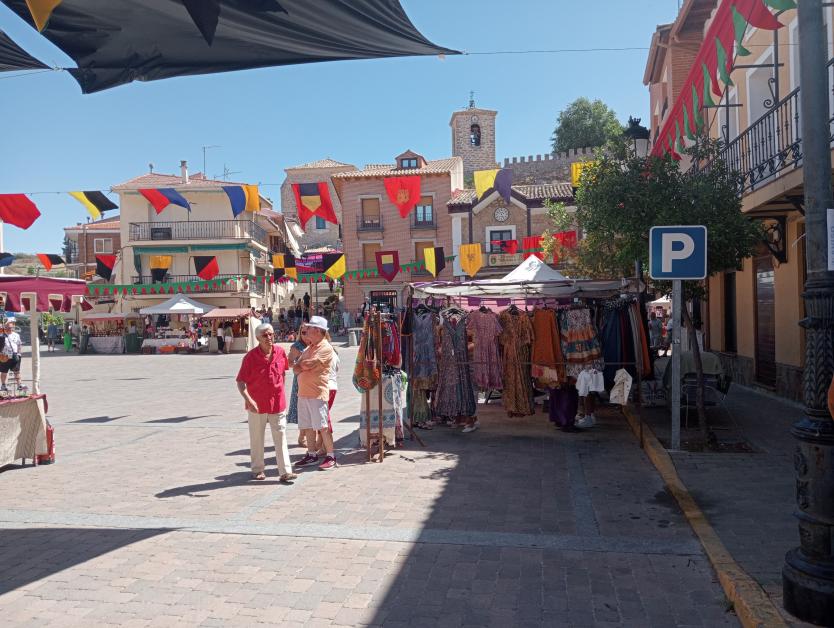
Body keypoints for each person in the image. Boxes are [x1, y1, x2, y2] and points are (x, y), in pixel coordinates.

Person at [236, 323, 297, 482]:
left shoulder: (280, 352)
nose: (269, 337)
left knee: (281, 436)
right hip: (257, 405)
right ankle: (257, 469)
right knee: (257, 438)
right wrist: (249, 400)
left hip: (277, 403)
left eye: (271, 334)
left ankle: (285, 471)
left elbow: (283, 373)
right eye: (265, 335)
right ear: (258, 338)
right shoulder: (250, 357)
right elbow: (240, 382)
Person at [293, 316, 336, 470]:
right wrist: (301, 364)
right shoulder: (310, 347)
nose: (306, 330)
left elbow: (307, 363)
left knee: (322, 426)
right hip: (304, 393)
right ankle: (311, 454)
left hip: (317, 393)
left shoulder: (325, 348)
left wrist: (301, 364)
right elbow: (296, 367)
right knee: (308, 426)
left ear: (317, 330)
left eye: (309, 328)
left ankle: (331, 456)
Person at [286, 329, 307, 445]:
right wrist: (299, 366)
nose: (306, 334)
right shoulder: (297, 346)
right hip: (300, 381)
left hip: (314, 381)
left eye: (308, 331)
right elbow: (288, 362)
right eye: (303, 332)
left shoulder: (315, 343)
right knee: (302, 409)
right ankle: (302, 436)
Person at [0, 321, 22, 390]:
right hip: (4, 356)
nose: (9, 329)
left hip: (15, 355)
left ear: (13, 327)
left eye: (10, 327)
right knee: (4, 372)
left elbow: (19, 344)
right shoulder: (1, 335)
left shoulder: (16, 335)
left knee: (17, 371)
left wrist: (19, 354)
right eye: (7, 327)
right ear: (5, 327)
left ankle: (19, 385)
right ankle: (3, 385)